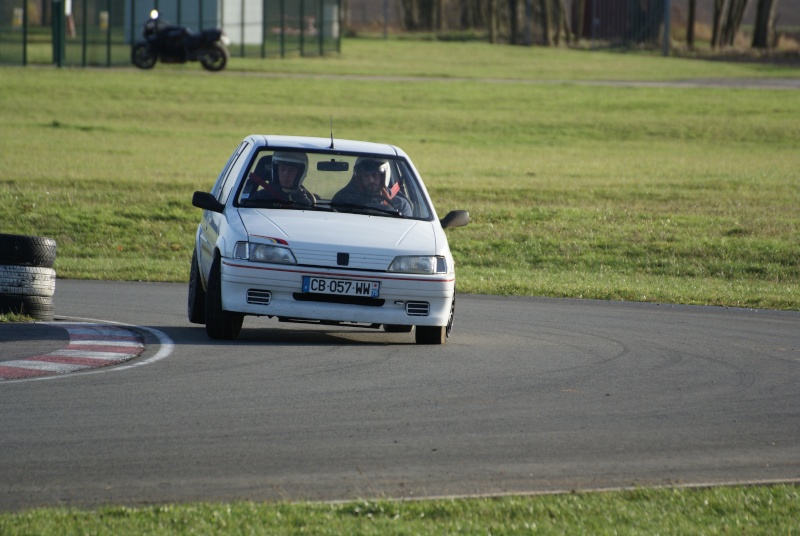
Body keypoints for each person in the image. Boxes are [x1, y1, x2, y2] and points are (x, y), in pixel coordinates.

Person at [332, 158, 412, 217]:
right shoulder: (344, 201)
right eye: (366, 176)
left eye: (375, 175)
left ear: (383, 176)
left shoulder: (400, 205)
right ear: (360, 178)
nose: (370, 180)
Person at [249, 151, 314, 206]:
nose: (286, 175)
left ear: (299, 174)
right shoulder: (260, 197)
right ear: (276, 171)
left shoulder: (305, 200)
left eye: (291, 170)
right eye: (282, 169)